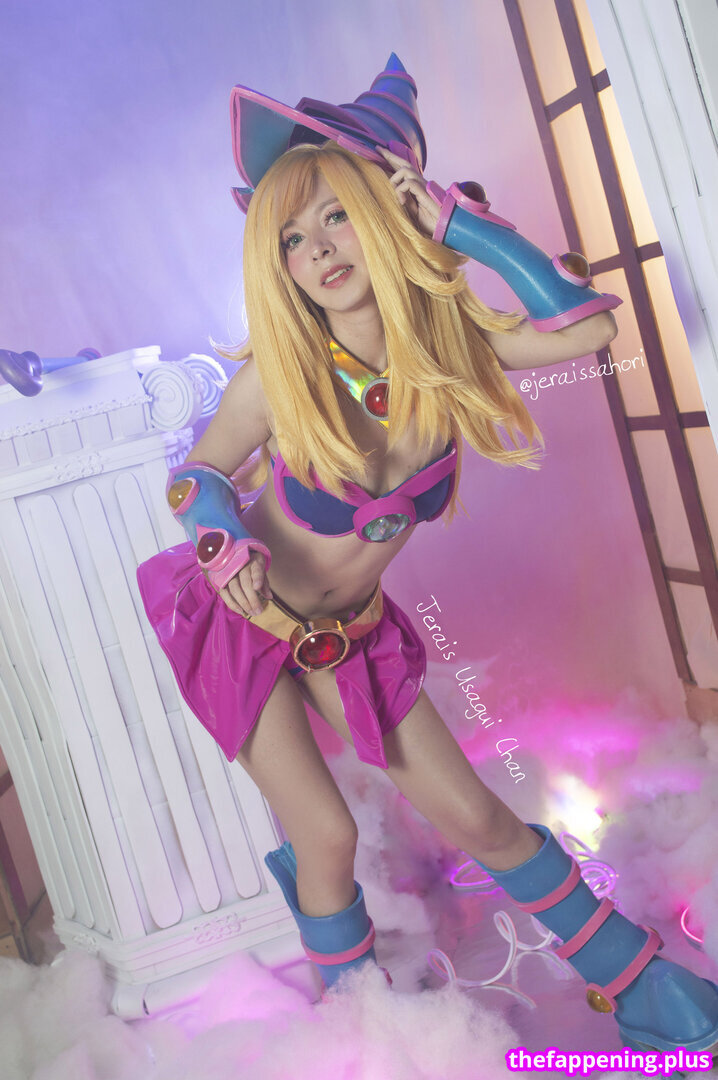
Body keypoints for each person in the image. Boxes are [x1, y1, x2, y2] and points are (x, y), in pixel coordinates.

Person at [137, 55, 718, 1056]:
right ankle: (361, 1034)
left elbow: (591, 328)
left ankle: (640, 985)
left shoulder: (454, 358)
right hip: (239, 622)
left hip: (352, 638)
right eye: (291, 237)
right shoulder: (280, 378)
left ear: (391, 212)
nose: (318, 249)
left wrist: (467, 227)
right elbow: (195, 475)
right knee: (327, 836)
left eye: (337, 216)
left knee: (481, 822)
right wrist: (220, 536)